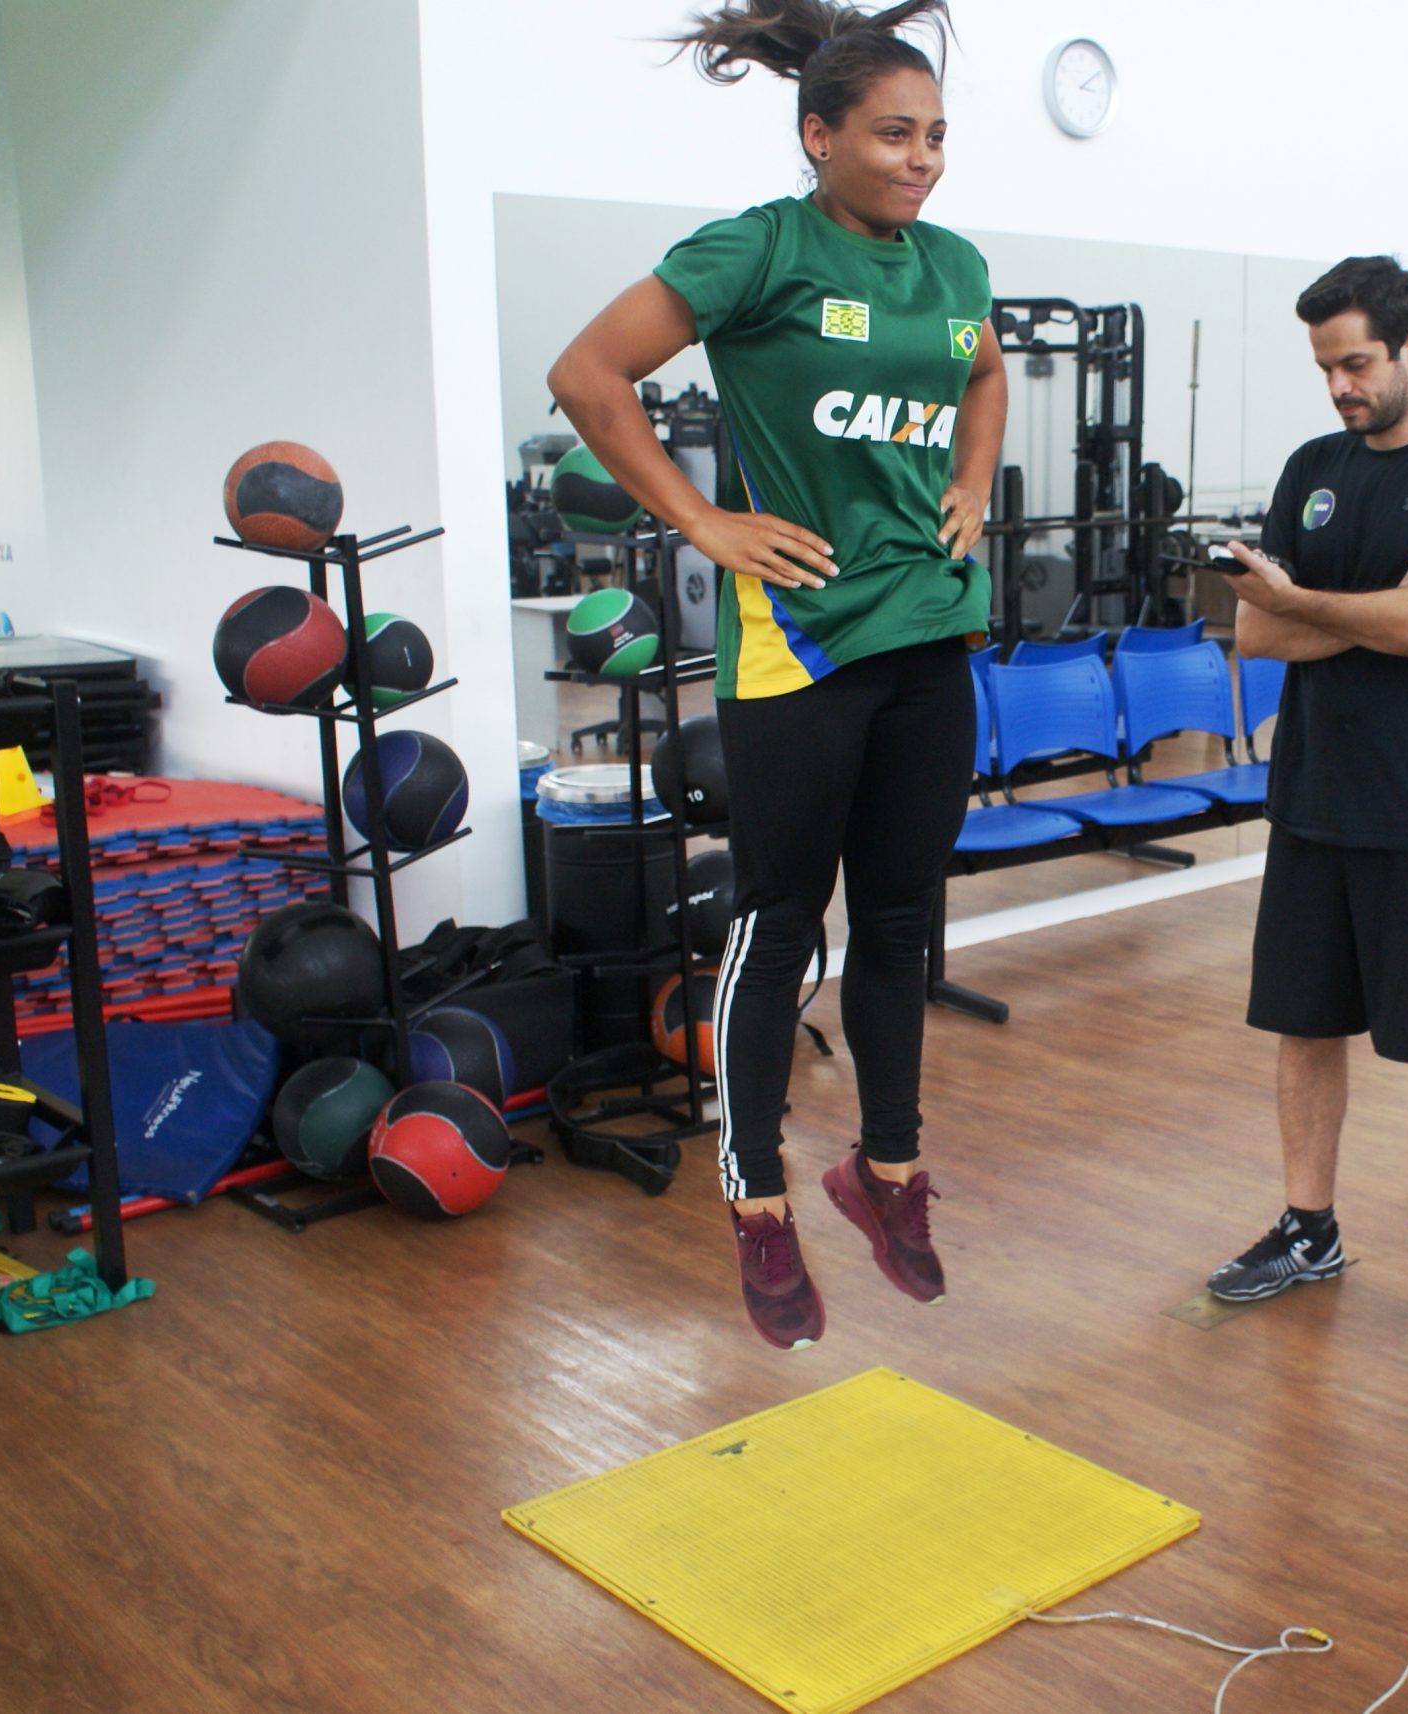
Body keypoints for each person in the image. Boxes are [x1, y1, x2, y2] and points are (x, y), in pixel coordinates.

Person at [547, 0, 1002, 1350]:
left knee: (906, 919)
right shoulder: (758, 247)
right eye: (893, 135)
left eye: (935, 136)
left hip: (931, 630)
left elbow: (982, 374)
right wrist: (700, 521)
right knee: (780, 919)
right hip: (801, 643)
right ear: (820, 134)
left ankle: (890, 1169)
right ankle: (755, 1194)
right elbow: (589, 372)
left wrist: (975, 479)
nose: (921, 159)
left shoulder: (956, 262)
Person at [1205, 256, 1408, 1302]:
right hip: (1311, 800)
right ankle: (1309, 1231)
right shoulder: (1313, 466)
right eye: (1326, 368)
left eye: (1356, 363)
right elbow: (1254, 632)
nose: (1341, 386)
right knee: (1304, 1027)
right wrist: (1378, 599)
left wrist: (1326, 605)